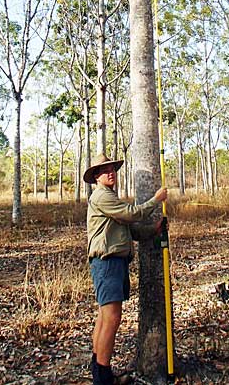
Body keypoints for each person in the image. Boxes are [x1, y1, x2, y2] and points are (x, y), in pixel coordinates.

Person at [83, 154, 168, 385]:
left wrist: (155, 228)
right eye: (104, 170)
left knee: (104, 318)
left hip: (115, 262)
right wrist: (155, 200)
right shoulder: (101, 196)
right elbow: (132, 214)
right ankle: (103, 378)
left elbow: (133, 231)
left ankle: (100, 372)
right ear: (96, 177)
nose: (110, 172)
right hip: (107, 262)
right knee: (111, 318)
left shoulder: (111, 199)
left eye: (112, 169)